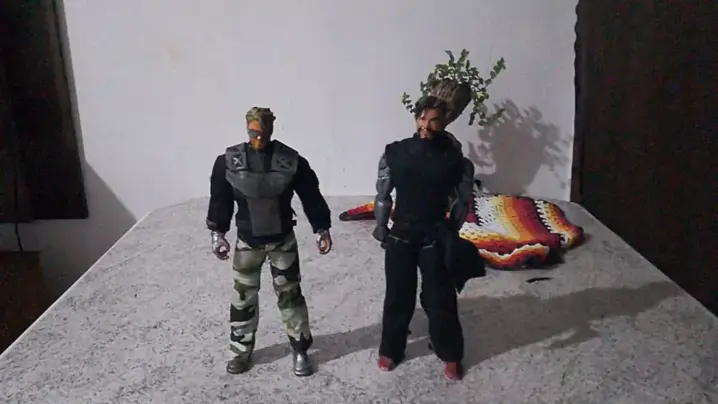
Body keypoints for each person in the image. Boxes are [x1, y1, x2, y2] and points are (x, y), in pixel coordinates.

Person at [206, 106, 333, 377]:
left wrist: (321, 227)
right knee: (242, 298)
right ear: (247, 128)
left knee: (291, 296)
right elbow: (220, 200)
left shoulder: (291, 160)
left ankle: (300, 349)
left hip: (281, 240)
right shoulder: (228, 161)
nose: (258, 137)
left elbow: (311, 195)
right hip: (247, 241)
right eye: (254, 131)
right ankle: (240, 350)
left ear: (272, 128)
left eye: (263, 131)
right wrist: (218, 233)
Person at [371, 95, 474, 381]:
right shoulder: (396, 153)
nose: (426, 125)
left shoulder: (456, 161)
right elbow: (383, 194)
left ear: (445, 121)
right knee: (397, 295)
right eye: (422, 118)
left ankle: (450, 352)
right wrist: (381, 225)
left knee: (440, 298)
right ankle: (391, 348)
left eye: (434, 120)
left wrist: (452, 232)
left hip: (434, 234)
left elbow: (461, 203)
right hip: (401, 233)